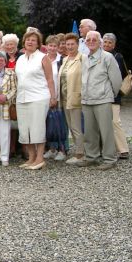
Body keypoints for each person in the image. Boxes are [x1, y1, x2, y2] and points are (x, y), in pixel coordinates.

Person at [14, 30, 57, 170]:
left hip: (39, 97)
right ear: (24, 42)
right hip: (22, 97)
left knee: (37, 127)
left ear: (38, 43)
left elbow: (50, 79)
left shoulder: (43, 58)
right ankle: (31, 157)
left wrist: (53, 96)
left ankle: (40, 158)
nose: (30, 42)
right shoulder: (20, 59)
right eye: (28, 40)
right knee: (24, 129)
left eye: (33, 40)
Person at [79, 31, 122, 170]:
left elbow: (116, 80)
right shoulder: (85, 58)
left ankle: (110, 159)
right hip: (87, 99)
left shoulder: (107, 57)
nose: (91, 41)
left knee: (106, 131)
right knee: (90, 131)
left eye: (94, 39)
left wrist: (110, 95)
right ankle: (92, 157)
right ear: (85, 42)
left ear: (100, 42)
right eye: (88, 39)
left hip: (102, 99)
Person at [102, 33, 130, 160]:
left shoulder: (117, 57)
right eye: (105, 41)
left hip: (114, 94)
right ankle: (108, 148)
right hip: (101, 94)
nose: (107, 44)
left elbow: (119, 76)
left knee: (115, 122)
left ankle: (123, 150)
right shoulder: (98, 55)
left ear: (114, 45)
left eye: (110, 42)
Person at [59, 33, 85, 165]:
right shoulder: (65, 59)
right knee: (71, 126)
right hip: (64, 98)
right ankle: (79, 151)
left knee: (76, 127)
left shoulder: (82, 59)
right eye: (67, 44)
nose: (69, 47)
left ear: (77, 45)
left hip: (75, 97)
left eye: (72, 44)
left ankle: (80, 154)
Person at [43, 35, 68, 160]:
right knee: (48, 124)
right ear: (46, 46)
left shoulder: (62, 60)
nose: (52, 48)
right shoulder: (43, 59)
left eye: (55, 46)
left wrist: (57, 96)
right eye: (50, 45)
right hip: (44, 95)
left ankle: (62, 149)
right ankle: (51, 148)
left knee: (59, 124)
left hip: (58, 96)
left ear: (58, 47)